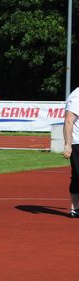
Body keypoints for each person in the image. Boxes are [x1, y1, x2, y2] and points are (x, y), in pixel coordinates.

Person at [63, 86, 79, 218]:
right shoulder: (76, 96)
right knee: (78, 175)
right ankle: (75, 208)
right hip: (77, 143)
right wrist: (68, 144)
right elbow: (68, 121)